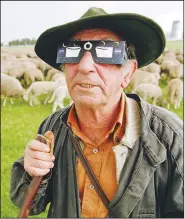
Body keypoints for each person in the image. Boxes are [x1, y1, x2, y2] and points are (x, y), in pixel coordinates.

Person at [10, 7, 183, 218]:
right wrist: (32, 173)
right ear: (64, 67)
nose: (84, 66)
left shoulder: (168, 136)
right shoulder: (52, 128)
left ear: (128, 73)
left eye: (106, 52)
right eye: (72, 51)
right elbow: (30, 204)